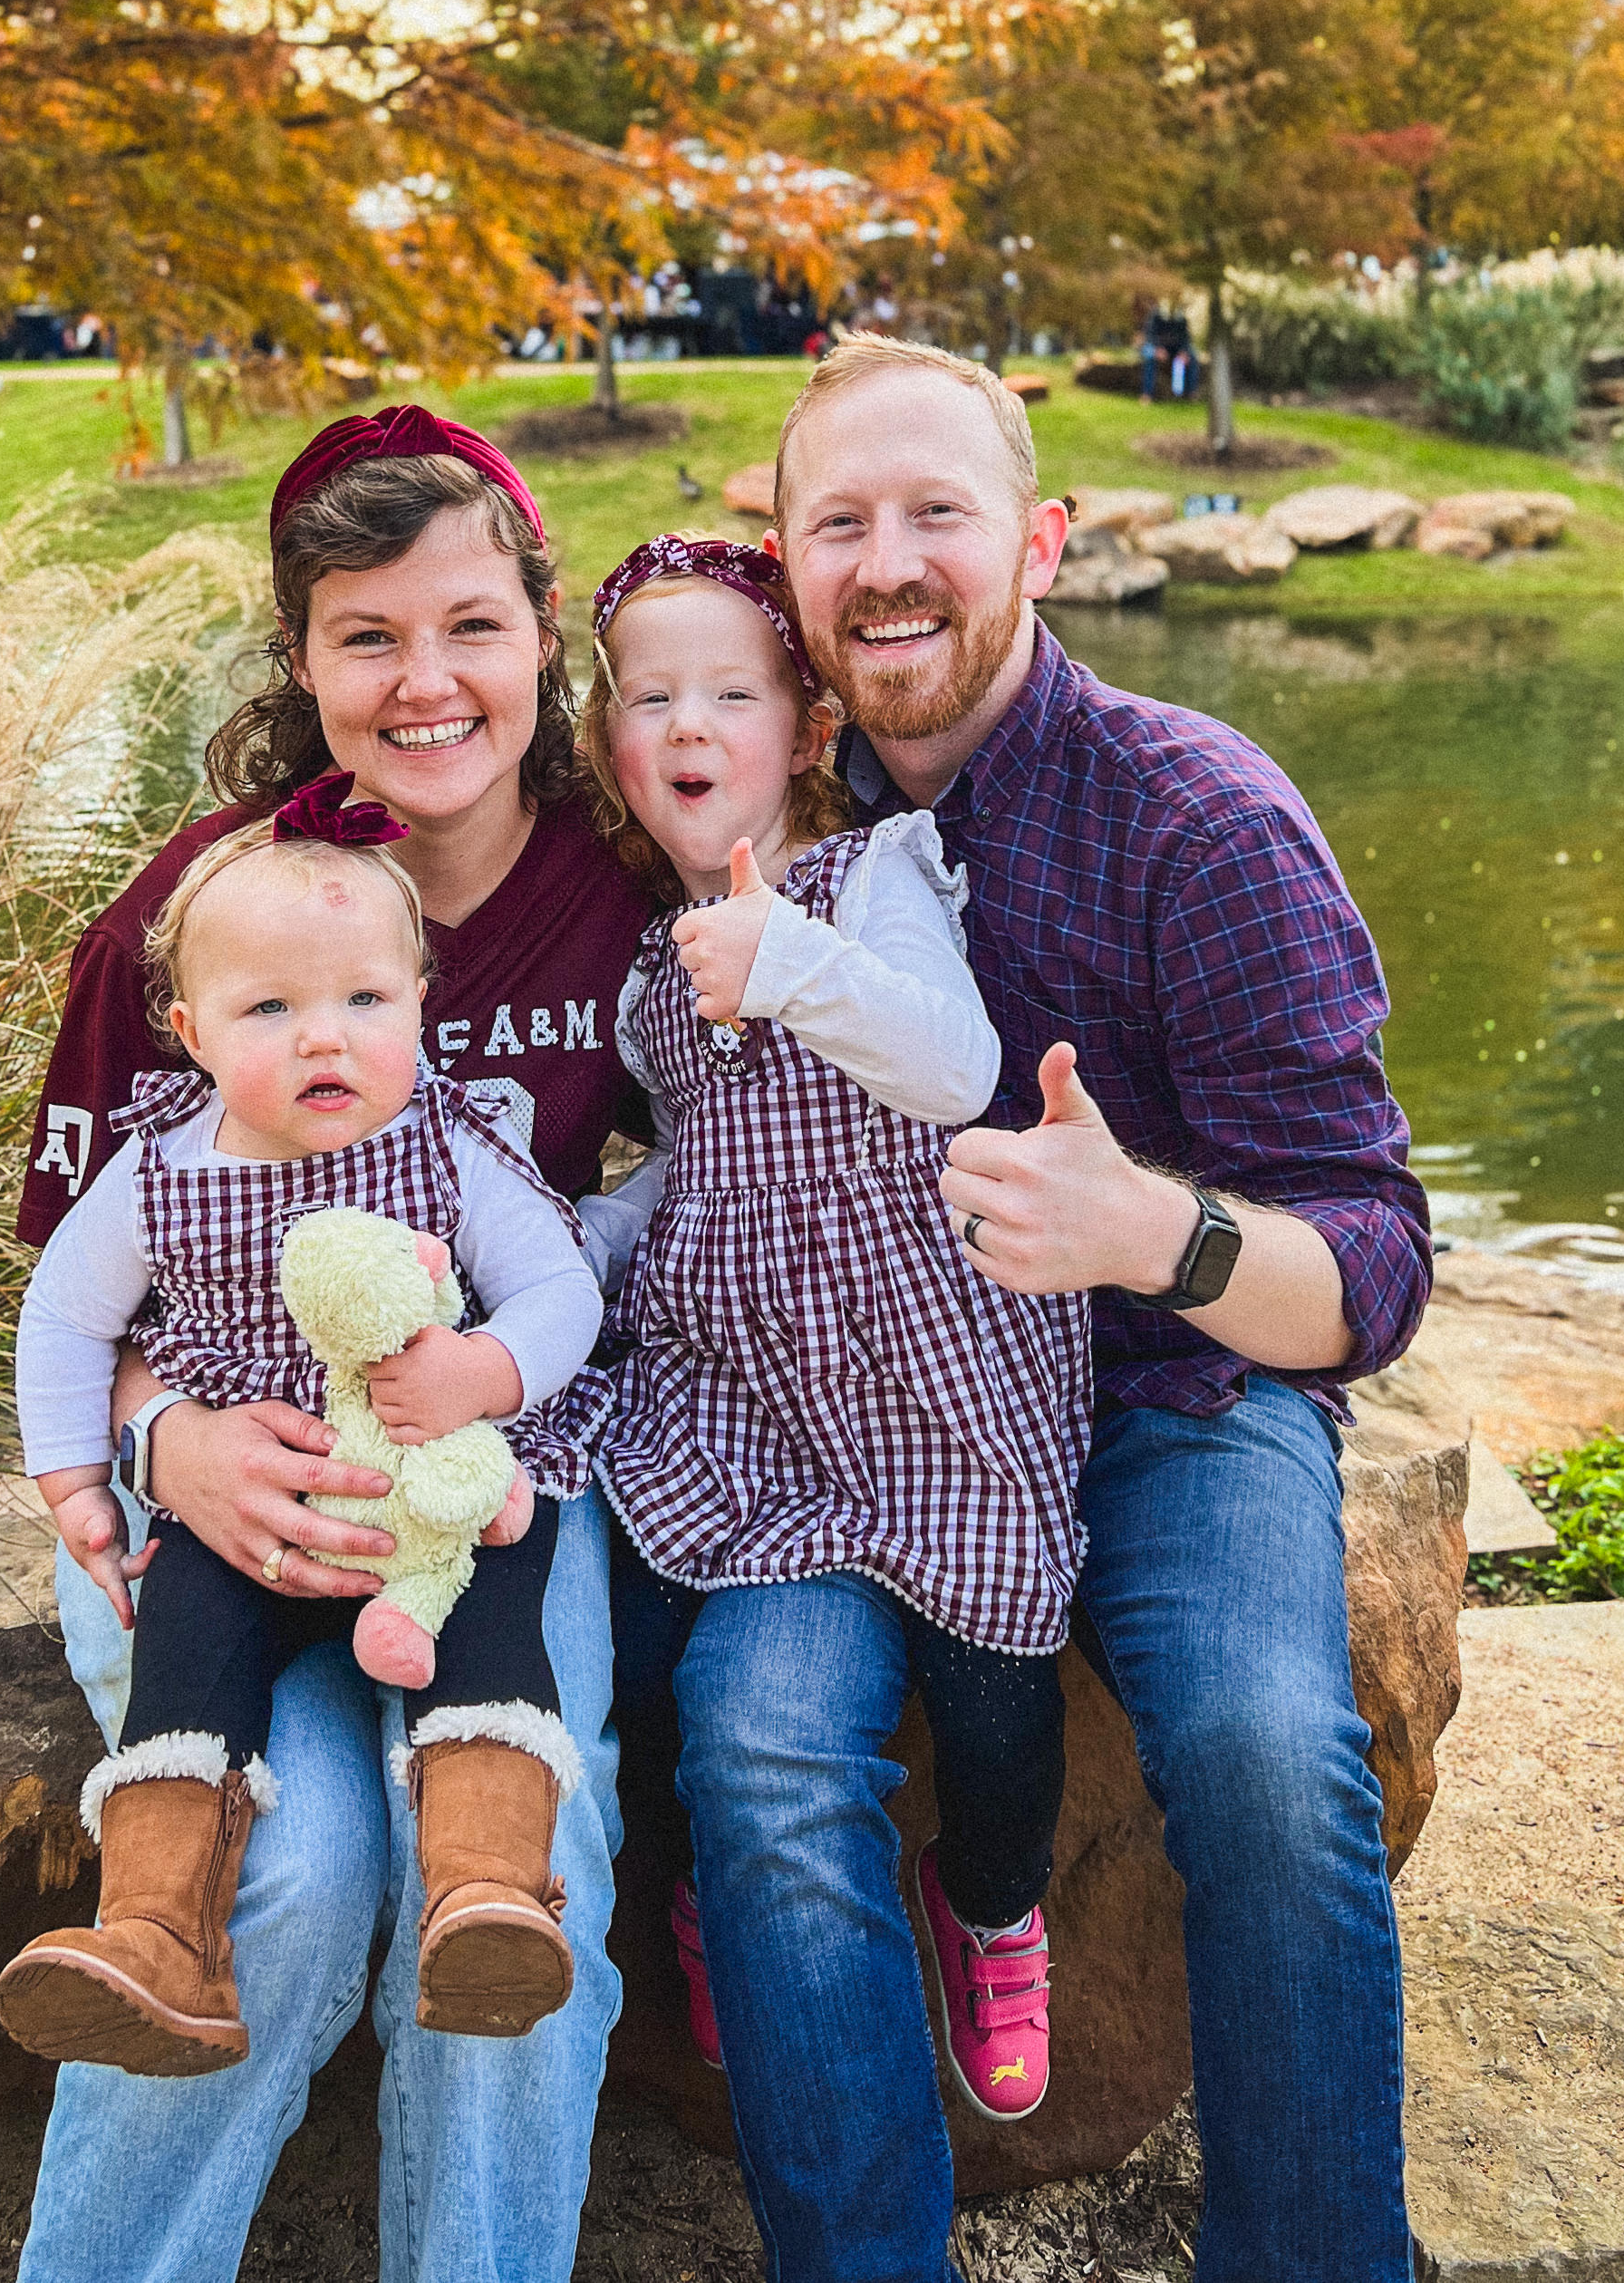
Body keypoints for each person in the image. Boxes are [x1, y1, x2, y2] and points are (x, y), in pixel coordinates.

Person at [669, 333, 1432, 2283]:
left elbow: (1373, 1262)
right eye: (840, 521)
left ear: (1045, 542)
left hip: (1170, 1399)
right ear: (784, 555)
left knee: (1270, 1744)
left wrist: (1147, 1233)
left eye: (939, 511)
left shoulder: (1196, 809)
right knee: (759, 1747)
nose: (891, 561)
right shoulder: (742, 807)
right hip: (866, 1433)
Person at [12, 405, 654, 2283]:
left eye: (472, 625)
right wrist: (161, 1451)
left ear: (547, 632)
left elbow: (705, 1184)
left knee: (533, 1866)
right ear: (300, 663)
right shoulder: (199, 917)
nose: (426, 682)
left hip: (480, 1475)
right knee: (280, 1877)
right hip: (211, 1486)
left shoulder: (620, 896)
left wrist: (530, 1348)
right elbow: (70, 1282)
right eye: (366, 636)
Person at [574, 537, 1093, 2131]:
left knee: (1002, 1684)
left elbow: (952, 1063)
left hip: (942, 1378)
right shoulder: (645, 975)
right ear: (608, 746)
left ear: (804, 729)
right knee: (647, 1637)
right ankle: (719, 1895)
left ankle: (993, 1904)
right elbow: (695, 1168)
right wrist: (561, 1261)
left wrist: (792, 961)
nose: (688, 726)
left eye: (731, 692)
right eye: (650, 698)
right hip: (754, 1399)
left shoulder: (876, 875)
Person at [0, 788, 608, 2075]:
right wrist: (76, 1482)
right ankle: (157, 1933)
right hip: (253, 1513)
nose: (323, 1040)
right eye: (269, 1010)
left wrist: (486, 1369)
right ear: (190, 1032)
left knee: (499, 1603)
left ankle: (487, 1893)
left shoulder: (446, 1145)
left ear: (419, 1000)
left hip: (433, 1494)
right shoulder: (163, 1173)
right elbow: (62, 1317)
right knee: (187, 1640)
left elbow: (564, 1286)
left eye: (365, 1003)